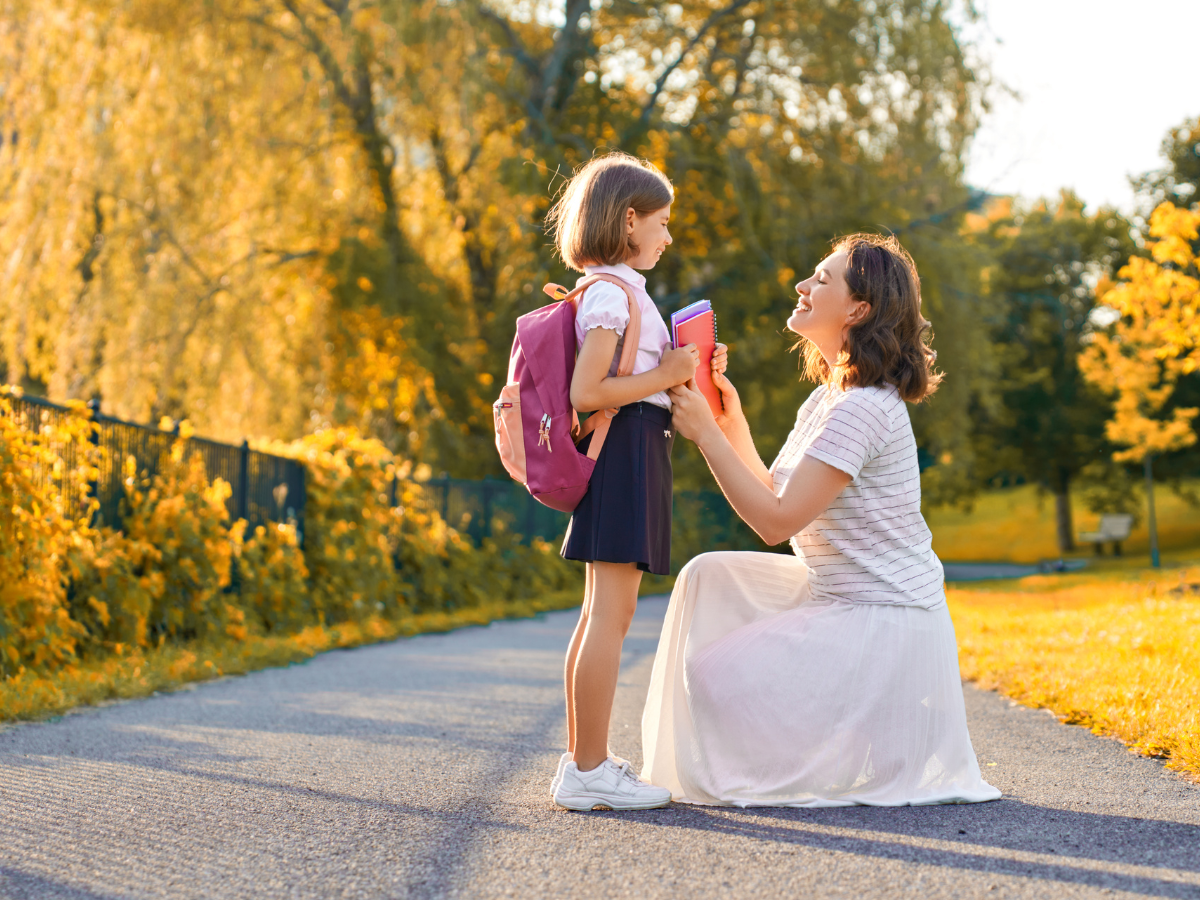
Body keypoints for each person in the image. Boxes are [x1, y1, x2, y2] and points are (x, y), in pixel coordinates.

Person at [643, 233, 1001, 807]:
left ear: (858, 309)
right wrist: (729, 422)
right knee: (708, 574)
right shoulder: (831, 397)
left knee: (714, 675)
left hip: (883, 616)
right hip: (842, 597)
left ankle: (871, 721)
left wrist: (705, 436)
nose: (802, 286)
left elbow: (775, 523)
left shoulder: (862, 406)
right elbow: (774, 489)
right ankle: (871, 720)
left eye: (821, 279)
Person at [544, 152, 702, 811]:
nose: (667, 236)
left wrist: (675, 368)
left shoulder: (612, 290)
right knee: (611, 615)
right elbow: (588, 391)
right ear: (628, 219)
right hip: (627, 448)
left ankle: (584, 764)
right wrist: (667, 376)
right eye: (662, 222)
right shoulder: (610, 294)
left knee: (598, 614)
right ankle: (587, 771)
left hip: (634, 447)